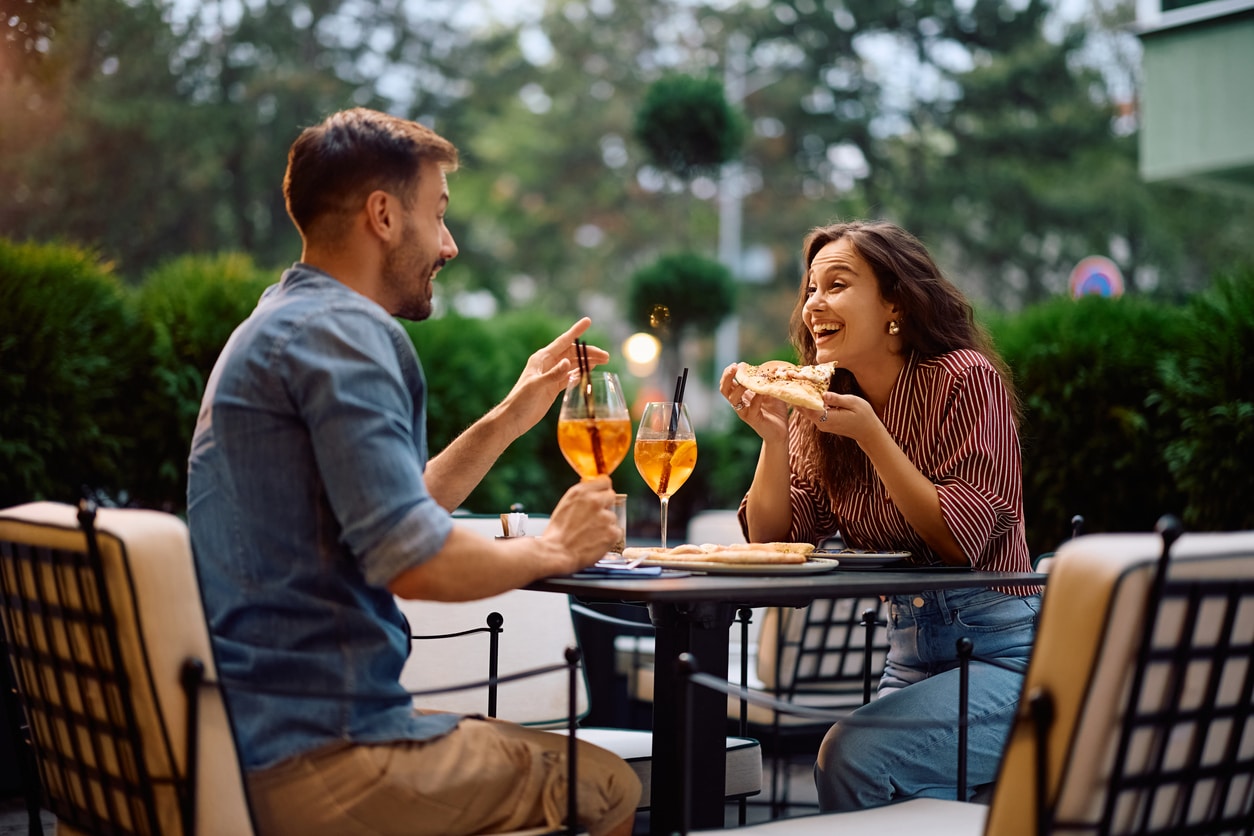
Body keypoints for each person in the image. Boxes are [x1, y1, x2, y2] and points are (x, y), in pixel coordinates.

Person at [187, 107, 639, 836]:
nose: (450, 244)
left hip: (252, 736)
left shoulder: (281, 322)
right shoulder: (348, 331)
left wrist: (510, 415)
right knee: (611, 787)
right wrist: (557, 548)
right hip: (324, 751)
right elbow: (415, 560)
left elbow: (392, 511)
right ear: (384, 216)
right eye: (439, 214)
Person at [718, 219, 1041, 810]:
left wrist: (873, 435)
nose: (814, 304)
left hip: (1005, 654)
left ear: (895, 302)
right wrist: (770, 436)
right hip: (910, 654)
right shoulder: (820, 403)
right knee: (860, 774)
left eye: (836, 285)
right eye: (810, 288)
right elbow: (775, 538)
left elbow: (959, 540)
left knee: (851, 757)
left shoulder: (966, 380)